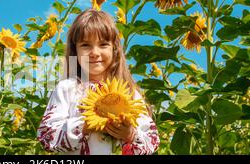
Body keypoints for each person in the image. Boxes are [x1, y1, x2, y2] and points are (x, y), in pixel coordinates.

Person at [36, 9, 160, 155]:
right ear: (75, 50)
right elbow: (46, 137)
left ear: (114, 49)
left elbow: (152, 140)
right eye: (86, 45)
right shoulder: (67, 89)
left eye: (103, 44)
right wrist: (83, 125)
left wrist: (130, 135)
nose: (94, 52)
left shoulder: (129, 93)